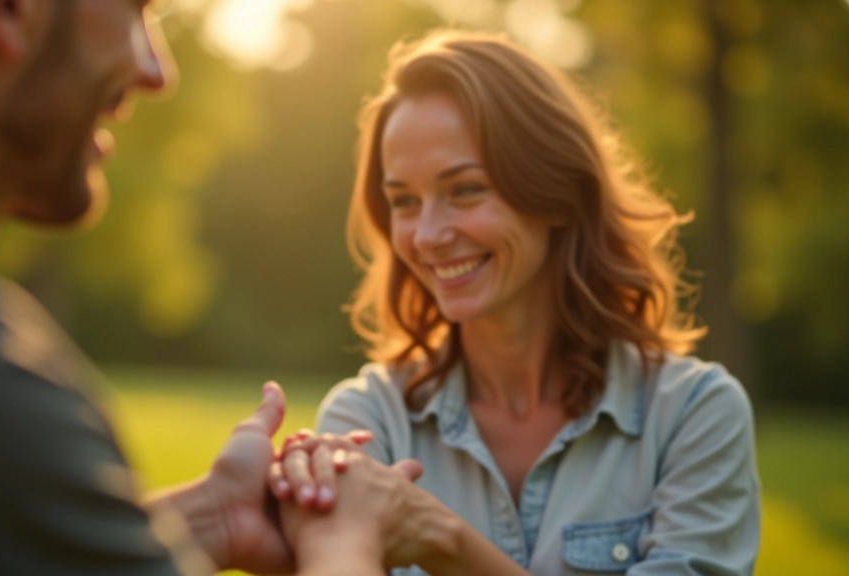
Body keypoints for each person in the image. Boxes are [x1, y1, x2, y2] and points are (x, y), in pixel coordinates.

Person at [0, 1, 415, 574]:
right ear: (9, 9)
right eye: (135, 10)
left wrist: (211, 518)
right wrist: (348, 537)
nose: (157, 73)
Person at [273, 30, 761, 575]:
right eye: (405, 201)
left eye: (465, 189)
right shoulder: (369, 423)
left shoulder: (693, 416)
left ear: (556, 192)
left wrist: (447, 543)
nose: (428, 235)